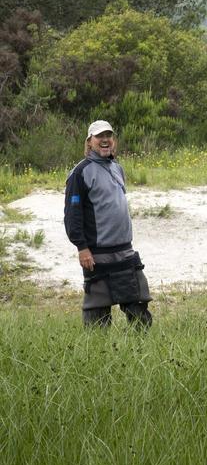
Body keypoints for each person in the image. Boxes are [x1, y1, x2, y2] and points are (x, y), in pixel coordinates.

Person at [64, 120, 153, 328]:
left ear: (113, 140)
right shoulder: (80, 173)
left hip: (125, 252)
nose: (105, 140)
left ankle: (139, 351)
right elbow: (72, 215)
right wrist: (82, 248)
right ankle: (97, 355)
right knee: (97, 322)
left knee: (139, 312)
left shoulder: (117, 168)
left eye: (108, 136)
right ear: (89, 142)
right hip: (96, 256)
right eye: (99, 136)